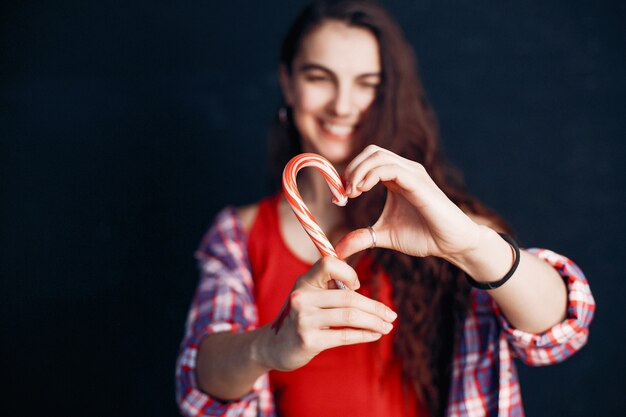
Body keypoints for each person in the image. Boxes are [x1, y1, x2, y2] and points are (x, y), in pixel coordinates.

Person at [175, 1, 595, 416]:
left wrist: (467, 245)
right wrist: (269, 345)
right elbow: (200, 381)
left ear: (389, 93)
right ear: (287, 82)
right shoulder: (240, 233)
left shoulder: (443, 223)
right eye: (319, 77)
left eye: (367, 83)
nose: (342, 105)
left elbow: (560, 332)